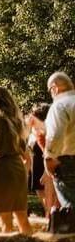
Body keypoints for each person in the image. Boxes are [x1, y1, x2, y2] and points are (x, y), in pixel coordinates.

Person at [0, 86, 32, 234]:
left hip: (2, 168)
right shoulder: (16, 120)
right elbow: (26, 153)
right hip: (17, 167)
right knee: (23, 218)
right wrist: (25, 169)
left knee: (6, 221)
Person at [45, 72, 75, 209]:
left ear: (55, 88)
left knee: (71, 207)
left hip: (67, 162)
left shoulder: (59, 106)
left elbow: (55, 136)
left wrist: (49, 157)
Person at [27, 102, 58, 214]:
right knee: (46, 204)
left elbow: (50, 153)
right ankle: (50, 222)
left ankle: (53, 223)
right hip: (36, 169)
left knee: (51, 203)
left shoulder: (48, 131)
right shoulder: (35, 131)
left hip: (46, 169)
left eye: (33, 114)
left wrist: (46, 173)